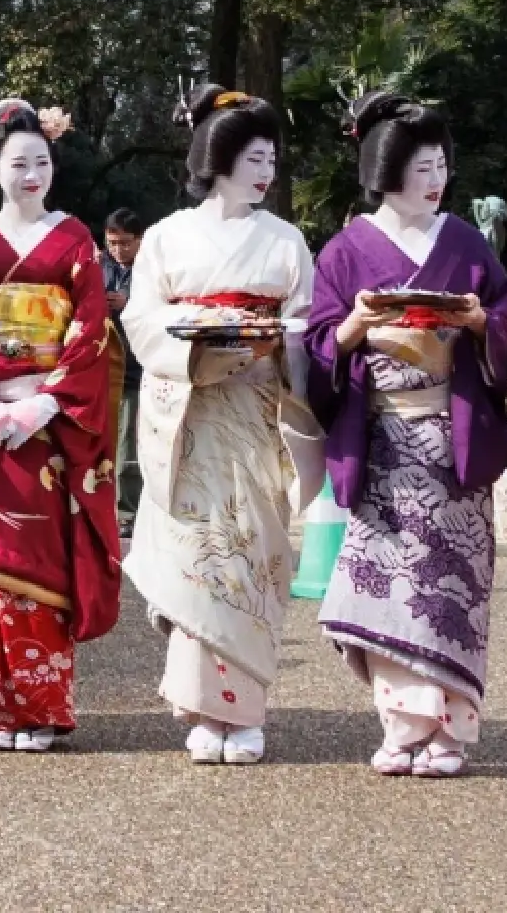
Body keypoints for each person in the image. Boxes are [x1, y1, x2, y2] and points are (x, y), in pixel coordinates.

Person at [305, 93, 507, 777]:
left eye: (442, 166)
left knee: (452, 584)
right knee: (387, 584)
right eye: (423, 167)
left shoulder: (466, 242)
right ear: (386, 170)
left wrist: (480, 323)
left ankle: (449, 734)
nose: (436, 180)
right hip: (383, 443)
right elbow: (319, 342)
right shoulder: (346, 250)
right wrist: (355, 327)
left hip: (454, 443)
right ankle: (400, 728)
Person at [120, 86, 318, 767]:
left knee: (252, 553)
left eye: (272, 160)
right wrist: (200, 335)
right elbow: (142, 320)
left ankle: (246, 713)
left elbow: (305, 325)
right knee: (196, 558)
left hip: (258, 414)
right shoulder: (167, 237)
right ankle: (205, 709)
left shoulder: (285, 240)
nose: (267, 172)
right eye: (255, 158)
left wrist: (275, 342)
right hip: (191, 420)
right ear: (219, 158)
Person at [0, 98, 124, 749]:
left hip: (47, 427)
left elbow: (90, 328)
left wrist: (45, 401)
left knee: (43, 565)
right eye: (18, 164)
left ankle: (39, 709)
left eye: (41, 162)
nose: (32, 175)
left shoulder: (74, 238)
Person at [100, 208, 147, 533]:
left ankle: (127, 511)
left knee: (129, 445)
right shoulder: (96, 266)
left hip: (135, 370)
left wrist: (129, 303)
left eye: (126, 243)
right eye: (113, 243)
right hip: (100, 368)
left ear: (140, 240)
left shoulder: (152, 269)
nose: (119, 250)